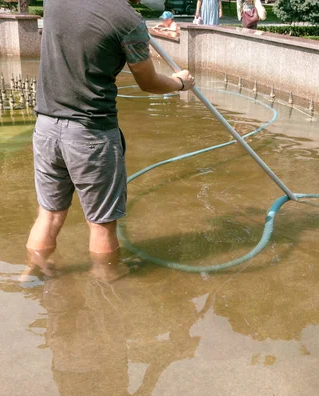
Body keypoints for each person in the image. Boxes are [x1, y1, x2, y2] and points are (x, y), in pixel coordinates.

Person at [26, 0, 195, 277]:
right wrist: (179, 83)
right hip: (90, 134)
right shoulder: (126, 21)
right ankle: (106, 286)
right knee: (102, 223)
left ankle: (31, 274)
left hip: (46, 128)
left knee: (49, 214)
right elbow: (149, 82)